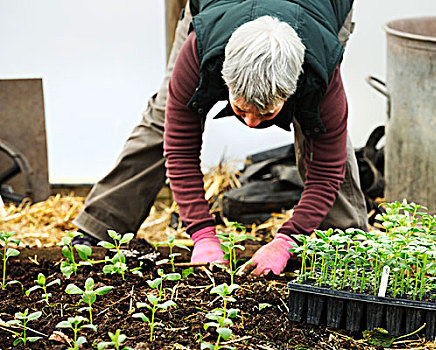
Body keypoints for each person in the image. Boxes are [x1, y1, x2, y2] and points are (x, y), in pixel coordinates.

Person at [73, 0, 369, 276]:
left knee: (320, 131)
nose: (251, 124)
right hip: (219, 9)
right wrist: (202, 234)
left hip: (317, 11)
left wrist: (287, 241)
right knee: (166, 119)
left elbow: (328, 169)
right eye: (241, 109)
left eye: (266, 114)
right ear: (222, 77)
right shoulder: (200, 49)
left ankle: (347, 248)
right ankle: (100, 227)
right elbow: (179, 146)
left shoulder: (321, 68)